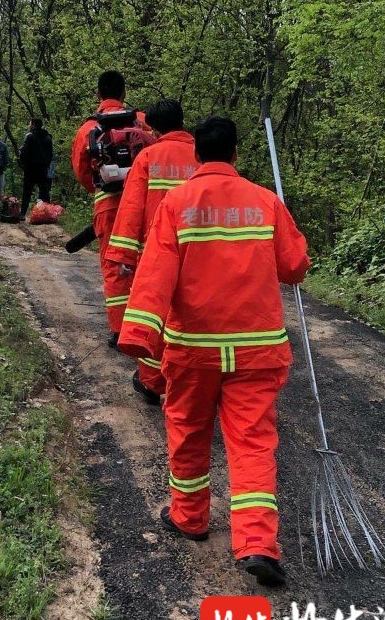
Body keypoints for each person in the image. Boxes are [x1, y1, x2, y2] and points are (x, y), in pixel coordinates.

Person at [117, 116, 310, 588]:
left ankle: (189, 517)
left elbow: (156, 272)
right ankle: (259, 543)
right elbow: (295, 268)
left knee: (188, 431)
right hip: (257, 353)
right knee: (252, 445)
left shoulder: (178, 204)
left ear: (197, 158)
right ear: (236, 155)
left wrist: (141, 335)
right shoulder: (266, 202)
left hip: (193, 351)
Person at [105, 99, 199, 404]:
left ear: (155, 130)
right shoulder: (204, 156)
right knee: (191, 318)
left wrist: (122, 256)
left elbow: (132, 209)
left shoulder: (149, 157)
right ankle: (191, 379)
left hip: (155, 254)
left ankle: (152, 381)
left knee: (155, 318)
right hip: (198, 252)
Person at [71, 70, 149, 348]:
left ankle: (119, 331)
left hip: (108, 206)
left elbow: (81, 171)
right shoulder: (141, 121)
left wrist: (100, 187)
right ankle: (145, 326)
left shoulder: (89, 129)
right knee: (144, 263)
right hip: (142, 205)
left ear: (99, 95)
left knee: (114, 265)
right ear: (124, 93)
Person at [19, 118, 54, 218]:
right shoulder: (48, 137)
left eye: (30, 124)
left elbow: (24, 153)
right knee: (44, 191)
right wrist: (46, 164)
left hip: (31, 169)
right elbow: (51, 154)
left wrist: (23, 163)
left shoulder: (30, 137)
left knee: (27, 192)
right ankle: (48, 214)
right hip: (43, 169)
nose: (29, 126)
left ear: (34, 125)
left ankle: (22, 214)